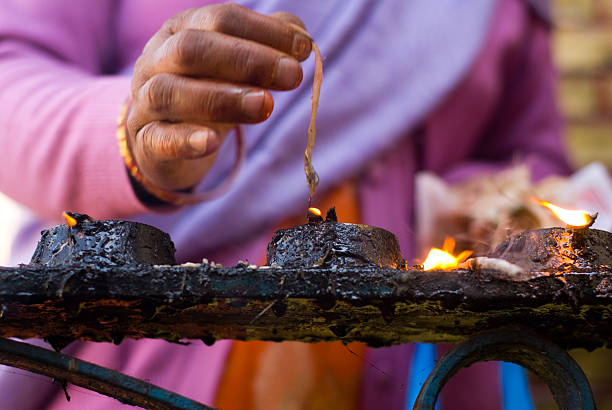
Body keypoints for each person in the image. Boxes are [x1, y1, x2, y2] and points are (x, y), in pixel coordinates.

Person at [0, 0, 570, 409]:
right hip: (157, 360)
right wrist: (134, 127)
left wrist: (486, 201)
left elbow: (529, 151)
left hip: (433, 371)